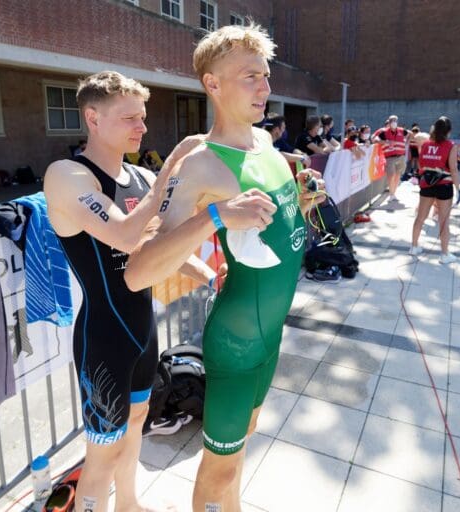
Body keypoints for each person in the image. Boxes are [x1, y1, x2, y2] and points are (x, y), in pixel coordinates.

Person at [123, 24, 325, 511]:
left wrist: (300, 199)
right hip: (235, 344)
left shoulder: (263, 144)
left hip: (270, 334)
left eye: (266, 75)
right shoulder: (201, 165)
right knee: (221, 468)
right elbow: (139, 271)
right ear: (212, 84)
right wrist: (216, 216)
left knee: (243, 449)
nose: (266, 87)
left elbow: (275, 232)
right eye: (250, 76)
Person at [43, 71, 212, 512]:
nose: (142, 127)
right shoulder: (68, 175)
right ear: (92, 118)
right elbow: (123, 235)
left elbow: (155, 248)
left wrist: (211, 275)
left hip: (143, 329)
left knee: (137, 423)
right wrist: (171, 169)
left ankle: (130, 504)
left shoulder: (139, 176)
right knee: (102, 451)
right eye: (129, 118)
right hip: (104, 337)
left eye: (143, 117)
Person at [409, 116, 460, 264]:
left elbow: (421, 164)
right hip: (444, 186)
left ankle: (414, 246)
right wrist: (458, 188)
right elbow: (454, 170)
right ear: (448, 131)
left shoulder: (425, 145)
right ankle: (444, 254)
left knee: (420, 217)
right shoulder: (451, 146)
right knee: (444, 221)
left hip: (427, 184)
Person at [373, 114, 412, 202]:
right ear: (389, 122)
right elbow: (375, 139)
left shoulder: (402, 130)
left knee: (397, 176)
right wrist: (385, 141)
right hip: (389, 157)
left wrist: (407, 141)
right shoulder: (384, 132)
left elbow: (411, 134)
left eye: (395, 121)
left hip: (401, 156)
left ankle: (393, 194)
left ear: (397, 122)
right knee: (391, 176)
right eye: (392, 121)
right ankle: (391, 194)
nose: (394, 122)